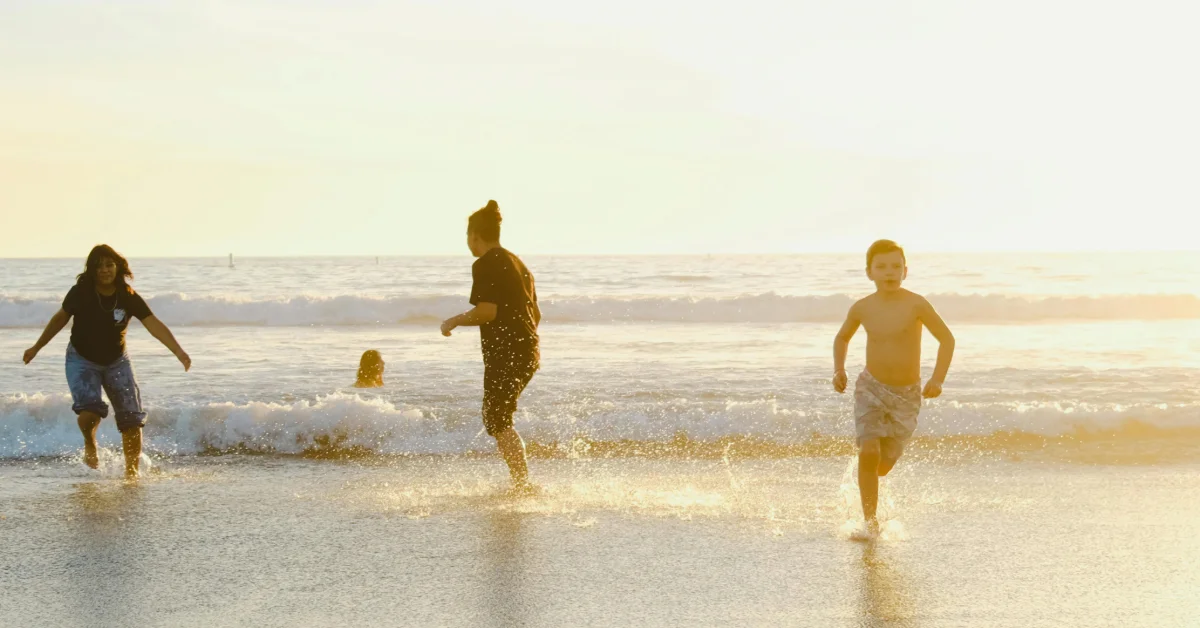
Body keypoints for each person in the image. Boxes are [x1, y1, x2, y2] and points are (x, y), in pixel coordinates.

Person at [23, 245, 191, 478]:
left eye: (109, 265)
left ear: (118, 267)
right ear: (91, 269)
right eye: (99, 266)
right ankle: (90, 444)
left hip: (117, 361)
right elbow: (60, 319)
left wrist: (178, 352)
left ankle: (131, 474)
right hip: (81, 359)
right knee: (90, 412)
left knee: (132, 419)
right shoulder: (80, 292)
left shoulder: (127, 295)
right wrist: (36, 347)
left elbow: (153, 324)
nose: (105, 270)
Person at [832, 239, 955, 536]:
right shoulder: (862, 307)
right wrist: (839, 368)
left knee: (884, 465)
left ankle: (865, 482)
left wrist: (937, 378)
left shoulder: (916, 304)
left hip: (907, 394)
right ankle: (870, 522)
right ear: (869, 272)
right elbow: (842, 338)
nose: (890, 272)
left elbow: (947, 339)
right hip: (870, 387)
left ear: (906, 271)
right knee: (869, 451)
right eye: (882, 267)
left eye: (896, 266)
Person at [441, 200, 541, 493]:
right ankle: (522, 482)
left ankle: (523, 484)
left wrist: (454, 321)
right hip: (528, 350)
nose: (468, 243)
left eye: (468, 237)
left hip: (507, 352)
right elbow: (537, 315)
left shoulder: (484, 264)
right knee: (498, 417)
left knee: (497, 419)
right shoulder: (519, 263)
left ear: (474, 235)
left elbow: (487, 312)